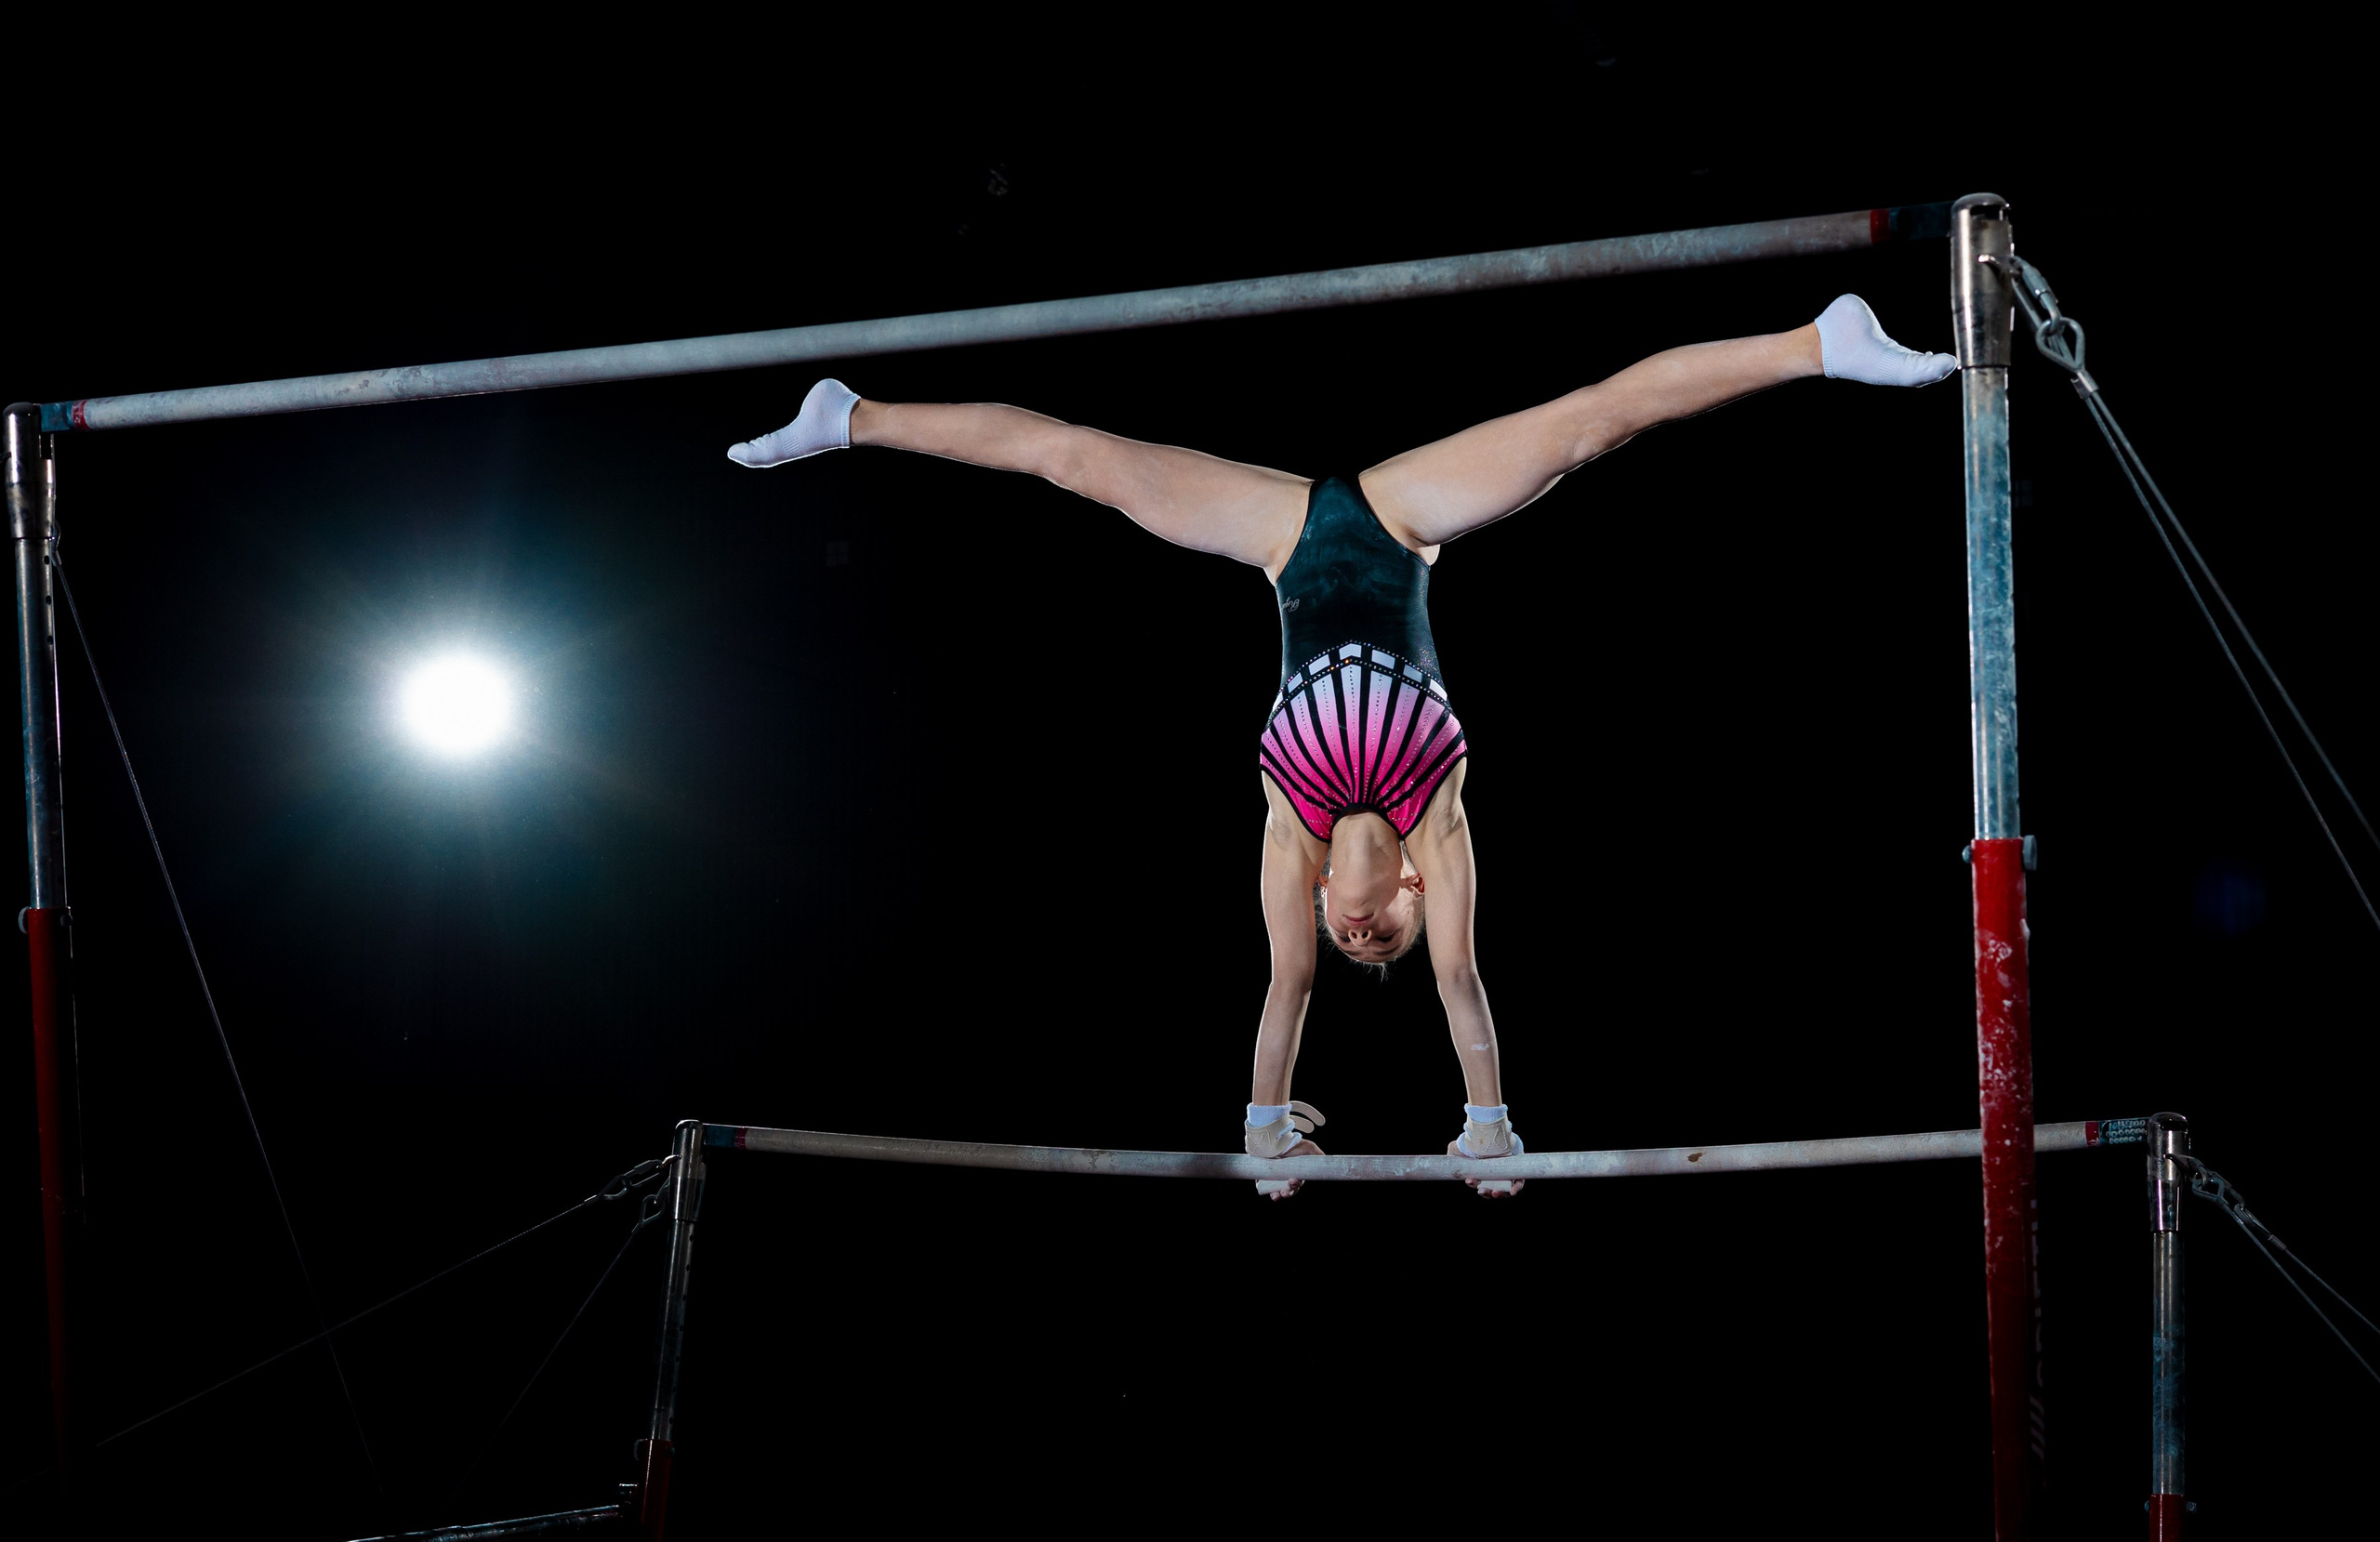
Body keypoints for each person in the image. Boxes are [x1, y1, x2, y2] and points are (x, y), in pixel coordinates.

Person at [728, 295, 1953, 1199]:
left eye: (1350, 933)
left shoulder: (1291, 835)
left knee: (1076, 459)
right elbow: (1462, 986)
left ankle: (853, 417)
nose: (1363, 935)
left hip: (1281, 543)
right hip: (1404, 518)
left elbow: (1284, 989)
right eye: (1390, 937)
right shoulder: (1440, 820)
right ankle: (1815, 345)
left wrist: (1263, 1125)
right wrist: (1488, 1126)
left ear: (1328, 898)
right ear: (1415, 892)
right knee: (1589, 427)